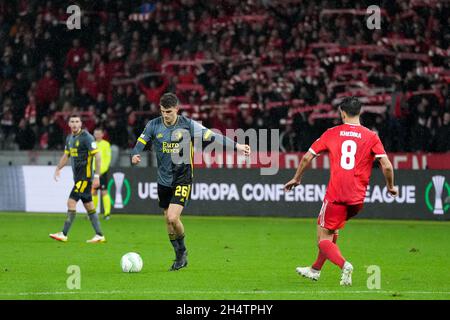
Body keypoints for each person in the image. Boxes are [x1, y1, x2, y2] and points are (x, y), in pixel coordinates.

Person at [284, 96, 398, 286]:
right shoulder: (371, 136)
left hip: (337, 195)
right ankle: (315, 270)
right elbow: (386, 166)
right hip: (357, 199)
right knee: (332, 230)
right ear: (359, 112)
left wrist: (297, 178)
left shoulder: (332, 133)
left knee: (322, 237)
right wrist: (390, 186)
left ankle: (344, 265)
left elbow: (306, 157)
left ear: (342, 113)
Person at [131, 93, 251, 271]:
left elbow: (213, 137)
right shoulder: (153, 125)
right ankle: (180, 254)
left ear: (177, 109)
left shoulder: (188, 124)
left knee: (173, 217)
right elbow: (141, 140)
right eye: (163, 111)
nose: (165, 115)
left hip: (183, 178)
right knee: (167, 221)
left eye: (169, 112)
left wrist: (238, 146)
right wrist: (135, 152)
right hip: (163, 180)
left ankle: (182, 252)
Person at [49, 114, 106, 243]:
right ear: (69, 124)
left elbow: (97, 156)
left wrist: (96, 176)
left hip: (84, 178)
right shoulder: (70, 138)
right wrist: (58, 168)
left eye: (77, 121)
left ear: (81, 124)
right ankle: (99, 235)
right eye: (72, 121)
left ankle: (63, 233)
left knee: (71, 202)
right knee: (89, 206)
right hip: (79, 178)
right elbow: (66, 155)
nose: (74, 124)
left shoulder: (87, 137)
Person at [91, 128, 112, 220]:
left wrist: (101, 171)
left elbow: (108, 159)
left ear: (102, 135)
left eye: (99, 134)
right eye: (96, 134)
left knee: (104, 192)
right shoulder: (92, 144)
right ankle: (93, 213)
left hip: (102, 172)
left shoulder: (106, 144)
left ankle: (107, 213)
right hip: (93, 171)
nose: (97, 135)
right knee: (94, 192)